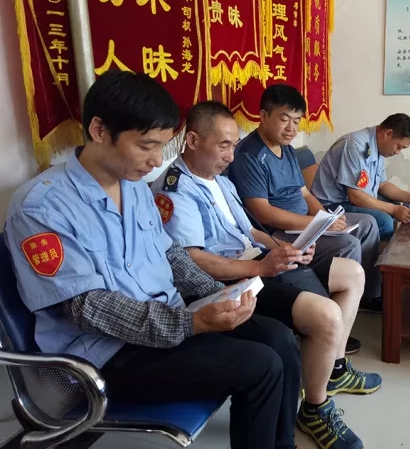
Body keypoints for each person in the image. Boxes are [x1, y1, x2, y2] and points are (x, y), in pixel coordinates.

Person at [3, 70, 301, 449]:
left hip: (167, 320)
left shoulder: (134, 187)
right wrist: (189, 323)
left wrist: (218, 294)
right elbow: (86, 307)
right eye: (146, 146)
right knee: (260, 365)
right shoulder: (42, 206)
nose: (157, 160)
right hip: (107, 353)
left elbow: (170, 253)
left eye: (162, 146)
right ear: (99, 130)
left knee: (279, 338)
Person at [150, 101, 381, 449]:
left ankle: (333, 369)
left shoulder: (219, 181)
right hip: (231, 278)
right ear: (193, 140)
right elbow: (193, 261)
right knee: (325, 316)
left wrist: (285, 248)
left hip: (258, 259)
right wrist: (262, 267)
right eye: (224, 146)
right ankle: (315, 408)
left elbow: (250, 231)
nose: (231, 156)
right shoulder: (175, 189)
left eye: (233, 145)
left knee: (353, 274)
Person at [228, 84, 383, 313]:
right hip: (278, 232)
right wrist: (318, 224)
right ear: (263, 116)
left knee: (367, 224)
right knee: (346, 243)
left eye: (296, 121)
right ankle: (330, 310)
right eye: (284, 119)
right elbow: (263, 212)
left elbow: (304, 193)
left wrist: (326, 218)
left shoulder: (287, 150)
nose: (291, 128)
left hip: (305, 223)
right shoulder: (250, 155)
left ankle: (366, 296)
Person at [310, 114, 410, 242]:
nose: (397, 152)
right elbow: (355, 196)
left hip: (351, 200)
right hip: (331, 206)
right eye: (399, 147)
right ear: (388, 134)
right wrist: (393, 210)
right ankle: (377, 254)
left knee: (398, 204)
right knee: (385, 221)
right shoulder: (355, 145)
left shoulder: (377, 147)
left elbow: (382, 185)